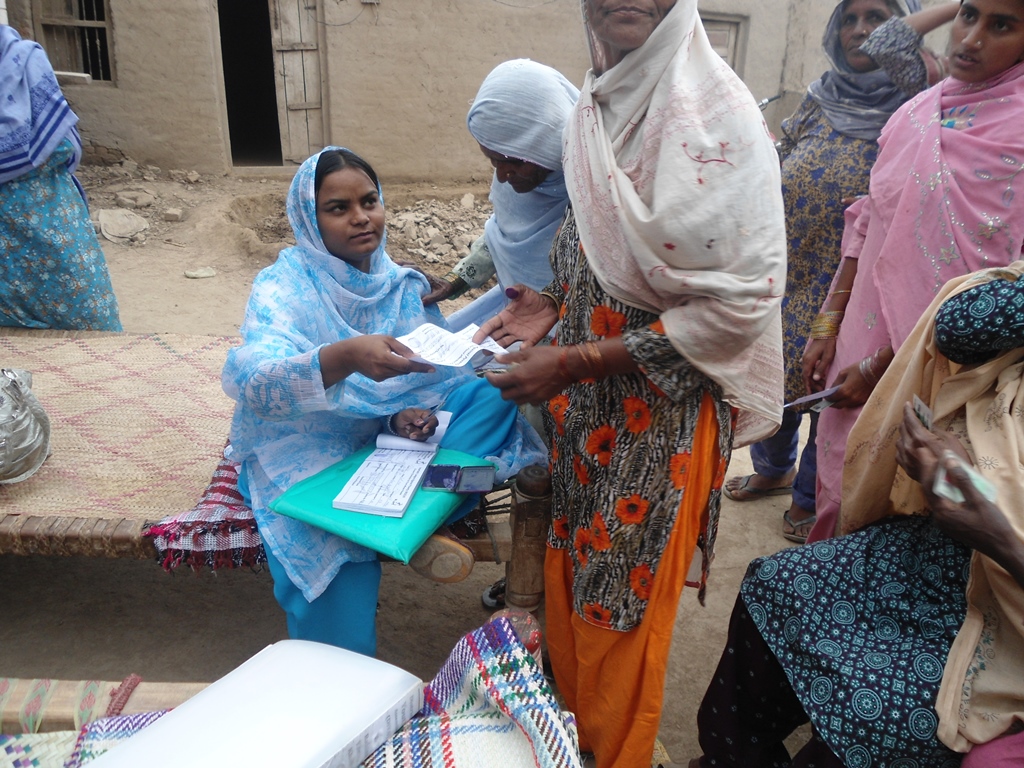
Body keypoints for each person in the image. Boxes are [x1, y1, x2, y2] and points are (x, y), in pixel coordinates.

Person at [473, 0, 787, 764]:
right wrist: (556, 303)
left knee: (618, 609)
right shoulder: (596, 105)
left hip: (659, 426)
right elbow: (601, 245)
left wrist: (573, 361)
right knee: (572, 584)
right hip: (586, 415)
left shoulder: (718, 123)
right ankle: (571, 744)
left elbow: (738, 307)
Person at [693, 261, 1024, 767]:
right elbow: (963, 324)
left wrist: (997, 535)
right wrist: (964, 487)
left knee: (874, 720)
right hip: (947, 553)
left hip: (1005, 611)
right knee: (776, 582)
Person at [222, 146, 546, 655]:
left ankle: (413, 506)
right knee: (326, 552)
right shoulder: (283, 288)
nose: (361, 218)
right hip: (310, 444)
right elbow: (254, 380)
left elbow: (431, 379)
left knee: (497, 390)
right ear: (308, 218)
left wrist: (399, 418)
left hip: (391, 443)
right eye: (338, 208)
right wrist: (346, 356)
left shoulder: (397, 283)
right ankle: (414, 523)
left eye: (369, 202)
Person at [724, 0, 956, 545]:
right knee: (778, 372)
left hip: (854, 279)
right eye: (849, 19)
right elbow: (778, 158)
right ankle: (773, 468)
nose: (860, 31)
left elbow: (889, 46)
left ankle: (809, 496)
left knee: (831, 387)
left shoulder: (919, 100)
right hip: (790, 267)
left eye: (876, 16)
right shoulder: (819, 96)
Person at [802, 0, 1024, 543]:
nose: (971, 38)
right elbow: (868, 218)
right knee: (838, 480)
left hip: (940, 366)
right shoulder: (919, 108)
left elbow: (997, 286)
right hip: (858, 336)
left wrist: (883, 366)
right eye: (968, 14)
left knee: (899, 507)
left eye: (1001, 25)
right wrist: (828, 324)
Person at [421, 59, 579, 332]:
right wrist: (455, 280)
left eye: (515, 162)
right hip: (518, 317)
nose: (503, 177)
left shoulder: (595, 193)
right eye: (493, 161)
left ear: (550, 142)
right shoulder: (518, 183)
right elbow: (502, 237)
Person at [0, 25, 121, 331]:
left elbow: (60, 139)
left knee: (88, 322)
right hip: (26, 227)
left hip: (51, 221)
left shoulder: (24, 59)